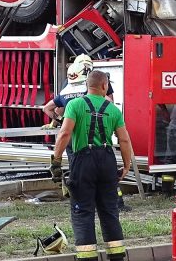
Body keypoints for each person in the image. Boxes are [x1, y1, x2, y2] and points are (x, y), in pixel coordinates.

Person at [50, 70, 133, 261]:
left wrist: (56, 161)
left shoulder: (75, 105)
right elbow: (124, 140)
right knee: (109, 211)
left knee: (83, 211)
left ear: (88, 86)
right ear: (104, 86)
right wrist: (127, 165)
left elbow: (65, 133)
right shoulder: (113, 110)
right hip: (107, 161)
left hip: (83, 161)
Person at [42, 55, 129, 211]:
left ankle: (82, 203)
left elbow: (51, 109)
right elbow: (110, 105)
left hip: (75, 140)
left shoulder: (68, 87)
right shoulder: (98, 82)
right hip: (101, 141)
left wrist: (60, 121)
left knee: (79, 173)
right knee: (106, 179)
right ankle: (115, 203)